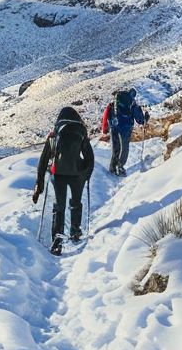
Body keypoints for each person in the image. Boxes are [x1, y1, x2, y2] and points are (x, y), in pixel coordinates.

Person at [33, 106, 95, 255]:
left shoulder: (54, 134)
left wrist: (39, 186)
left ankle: (57, 241)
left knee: (59, 207)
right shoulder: (81, 132)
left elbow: (43, 161)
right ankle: (75, 232)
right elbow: (90, 158)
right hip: (77, 174)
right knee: (76, 202)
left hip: (58, 174)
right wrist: (86, 174)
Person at [101, 87, 146, 176]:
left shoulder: (114, 102)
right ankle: (120, 166)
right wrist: (143, 120)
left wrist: (105, 128)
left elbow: (106, 113)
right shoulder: (132, 103)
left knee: (115, 147)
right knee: (124, 147)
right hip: (126, 127)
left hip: (113, 126)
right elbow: (139, 119)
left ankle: (112, 168)